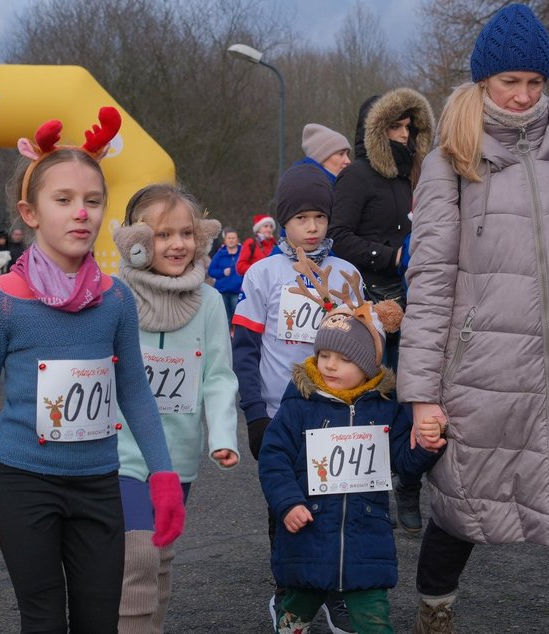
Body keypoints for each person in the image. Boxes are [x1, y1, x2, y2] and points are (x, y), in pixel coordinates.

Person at [398, 5, 549, 633]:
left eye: (535, 82)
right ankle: (436, 602)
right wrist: (420, 396)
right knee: (463, 504)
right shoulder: (451, 161)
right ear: (483, 83)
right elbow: (431, 283)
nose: (524, 97)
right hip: (483, 372)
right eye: (509, 83)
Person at [0, 108, 185, 633]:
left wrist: (163, 474)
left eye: (93, 201)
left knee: (101, 620)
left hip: (100, 483)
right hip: (24, 484)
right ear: (30, 213)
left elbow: (136, 393)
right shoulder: (1, 304)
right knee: (44, 620)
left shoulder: (117, 299)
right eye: (64, 200)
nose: (81, 213)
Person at [259, 256, 440, 634]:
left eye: (343, 358)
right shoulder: (299, 403)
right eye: (324, 354)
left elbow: (404, 465)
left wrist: (424, 445)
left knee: (375, 621)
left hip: (366, 541)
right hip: (308, 535)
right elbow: (273, 457)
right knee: (294, 619)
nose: (329, 364)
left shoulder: (386, 408)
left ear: (370, 366)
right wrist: (287, 502)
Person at [232, 163, 362, 634]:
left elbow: (364, 345)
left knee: (336, 504)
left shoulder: (346, 273)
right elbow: (244, 350)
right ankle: (288, 593)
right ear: (283, 221)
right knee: (285, 508)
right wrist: (253, 414)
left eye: (320, 218)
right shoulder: (263, 274)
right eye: (302, 218)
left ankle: (334, 593)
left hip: (336, 410)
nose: (312, 227)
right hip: (278, 413)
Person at [113, 183, 240, 633]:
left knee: (161, 552)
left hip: (179, 456)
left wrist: (222, 437)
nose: (177, 244)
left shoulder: (208, 303)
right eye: (164, 234)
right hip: (122, 452)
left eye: (186, 233)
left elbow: (220, 376)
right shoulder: (114, 296)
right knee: (137, 552)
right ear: (138, 239)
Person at [328, 86, 435, 534]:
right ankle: (368, 491)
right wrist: (390, 256)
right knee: (374, 391)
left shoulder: (420, 177)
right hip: (367, 298)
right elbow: (339, 236)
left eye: (410, 127)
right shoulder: (355, 177)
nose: (405, 135)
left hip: (417, 296)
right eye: (396, 126)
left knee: (416, 390)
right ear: (375, 130)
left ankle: (408, 481)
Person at [208, 226, 244, 322]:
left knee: (237, 319)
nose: (231, 240)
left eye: (233, 238)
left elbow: (250, 269)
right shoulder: (220, 253)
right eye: (229, 238)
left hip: (237, 291)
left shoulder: (243, 253)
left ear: (237, 240)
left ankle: (236, 336)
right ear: (225, 240)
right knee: (224, 319)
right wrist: (222, 272)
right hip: (222, 291)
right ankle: (226, 336)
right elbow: (211, 271)